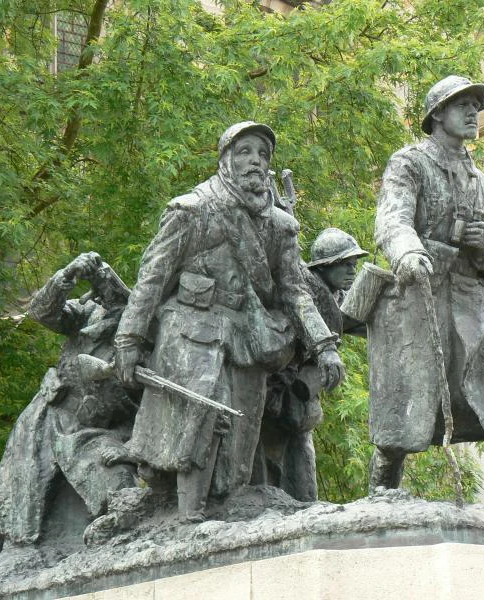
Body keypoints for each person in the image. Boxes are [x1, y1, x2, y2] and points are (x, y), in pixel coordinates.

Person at [113, 122, 345, 521]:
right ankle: (189, 516)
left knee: (240, 442)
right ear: (225, 160)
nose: (255, 160)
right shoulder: (192, 210)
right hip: (190, 333)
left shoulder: (279, 226)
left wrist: (325, 346)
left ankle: (223, 512)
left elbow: (296, 292)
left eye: (263, 154)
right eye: (245, 151)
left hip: (245, 339)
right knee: (197, 425)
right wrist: (129, 339)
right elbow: (151, 279)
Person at [372, 76, 484, 514]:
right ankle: (382, 494)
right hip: (423, 296)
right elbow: (393, 220)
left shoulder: (481, 181)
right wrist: (408, 253)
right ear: (436, 115)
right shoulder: (410, 163)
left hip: (474, 304)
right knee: (406, 410)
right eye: (461, 105)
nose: (472, 113)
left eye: (475, 105)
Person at [0, 252, 139, 557]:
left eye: (107, 284)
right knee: (14, 501)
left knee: (120, 493)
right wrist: (66, 275)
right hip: (50, 414)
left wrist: (131, 447)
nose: (103, 292)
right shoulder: (88, 313)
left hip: (101, 431)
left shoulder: (144, 326)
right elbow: (42, 313)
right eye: (98, 283)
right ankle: (11, 554)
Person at [256, 228, 368, 501]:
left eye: (354, 264)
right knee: (269, 455)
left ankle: (304, 502)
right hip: (277, 387)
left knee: (300, 449)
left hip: (300, 394)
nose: (352, 271)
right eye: (345, 264)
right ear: (324, 267)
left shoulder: (336, 295)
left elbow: (353, 323)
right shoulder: (303, 291)